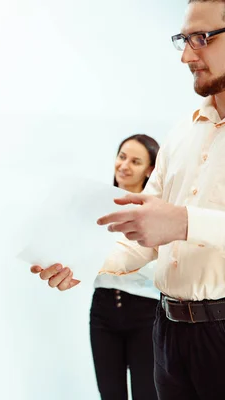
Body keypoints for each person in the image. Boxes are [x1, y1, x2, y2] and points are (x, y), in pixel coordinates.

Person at [31, 1, 225, 398]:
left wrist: (185, 222)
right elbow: (142, 231)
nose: (188, 55)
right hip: (169, 331)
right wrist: (83, 260)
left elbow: (173, 222)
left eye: (202, 38)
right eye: (184, 40)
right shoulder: (182, 134)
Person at [90, 134, 160, 400]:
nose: (124, 165)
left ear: (150, 170)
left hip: (145, 312)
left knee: (147, 393)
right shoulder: (96, 206)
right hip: (103, 310)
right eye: (121, 157)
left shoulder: (154, 210)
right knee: (110, 394)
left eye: (135, 161)